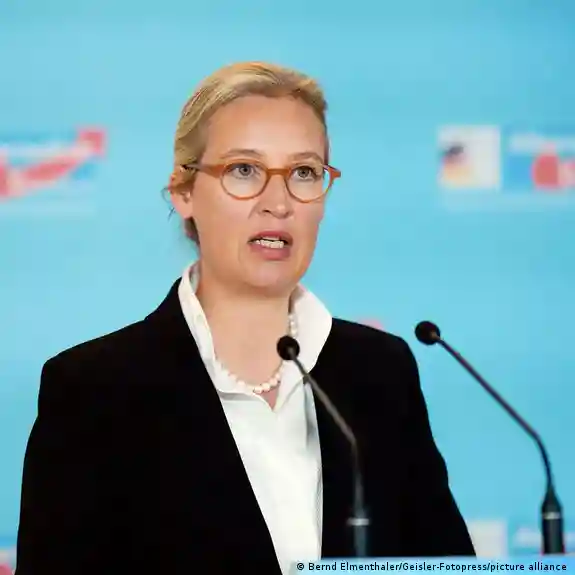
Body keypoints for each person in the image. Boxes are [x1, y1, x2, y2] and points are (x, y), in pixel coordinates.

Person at [15, 61, 475, 575]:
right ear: (184, 192)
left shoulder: (380, 372)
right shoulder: (93, 391)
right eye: (244, 171)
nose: (278, 203)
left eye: (304, 173)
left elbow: (444, 562)